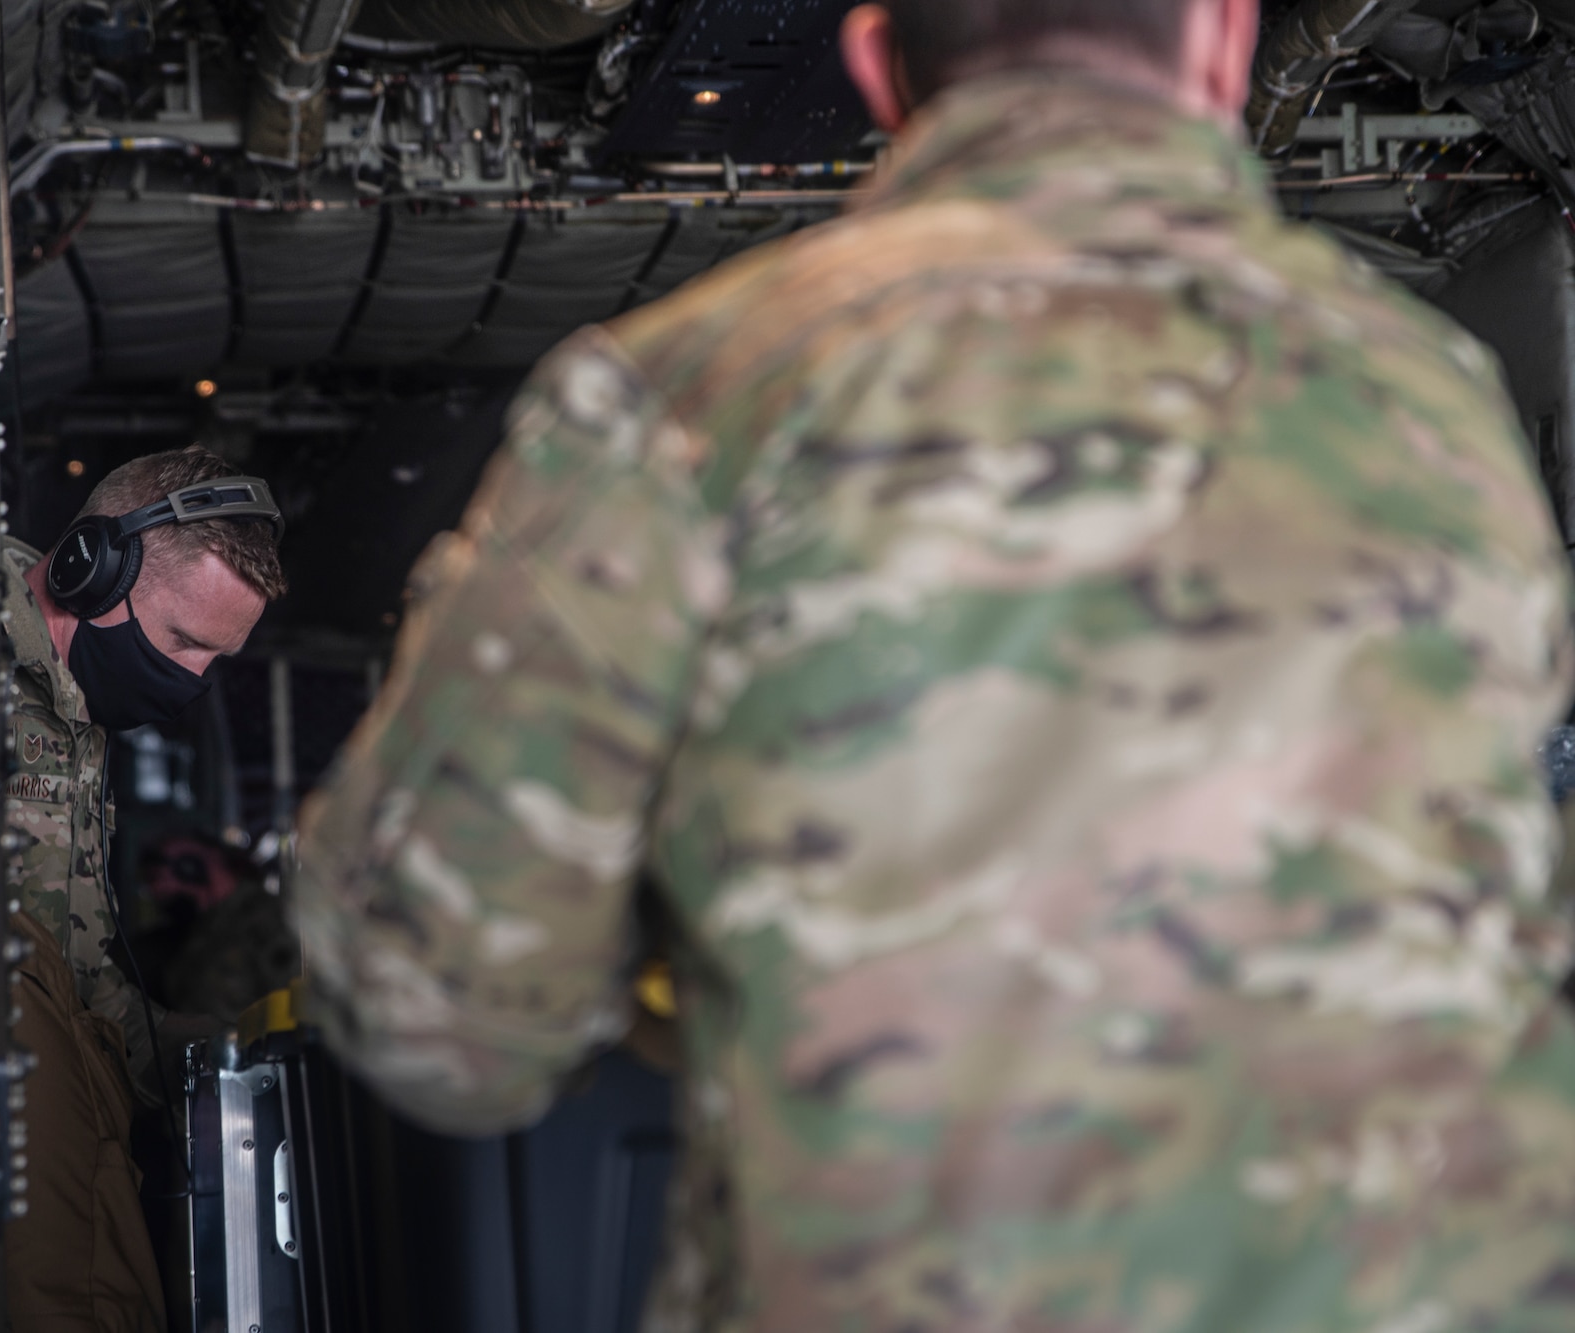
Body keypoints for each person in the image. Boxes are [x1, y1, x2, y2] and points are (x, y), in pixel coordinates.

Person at [292, 2, 1575, 1329]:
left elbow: (432, 1015)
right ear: (1224, 42)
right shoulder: (1442, 403)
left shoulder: (694, 397)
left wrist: (741, 972)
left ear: (873, 70)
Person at [0, 446, 286, 1332]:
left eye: (215, 658)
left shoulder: (80, 718)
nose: (191, 680)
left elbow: (88, 982)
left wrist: (231, 1053)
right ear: (90, 565)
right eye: (185, 640)